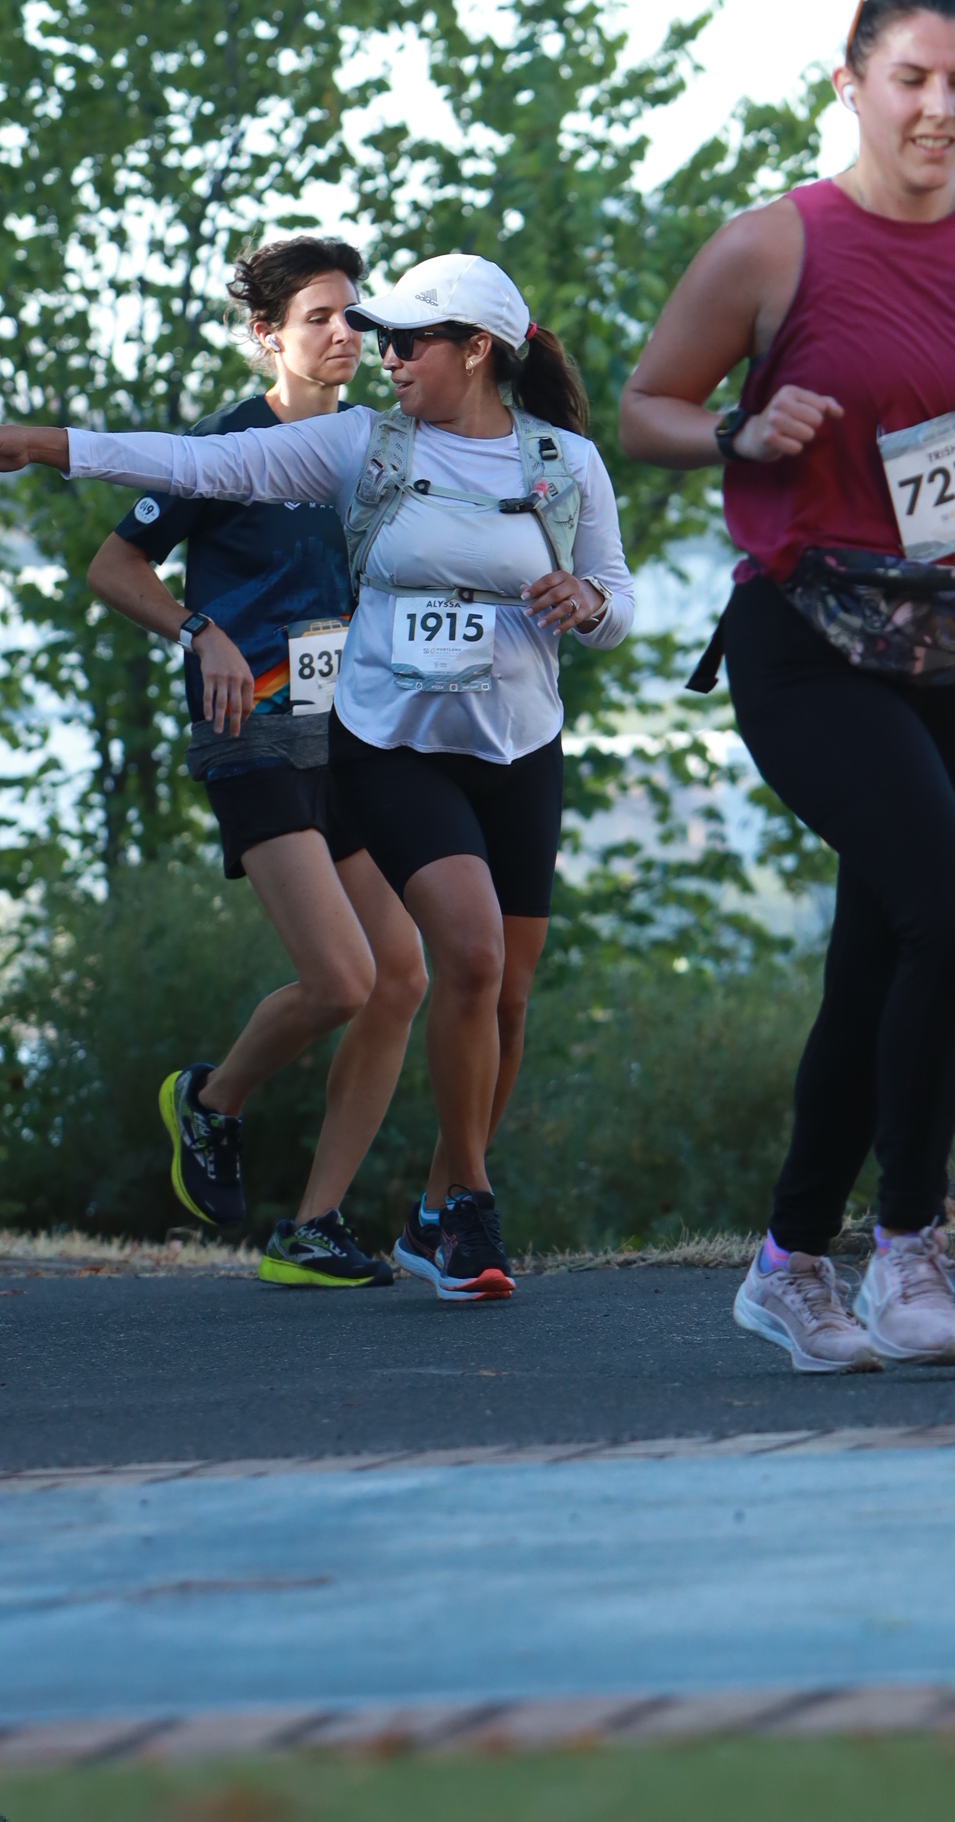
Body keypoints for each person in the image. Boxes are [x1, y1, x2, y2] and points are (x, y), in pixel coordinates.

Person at [620, 0, 955, 1374]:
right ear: (851, 86)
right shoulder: (774, 247)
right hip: (811, 644)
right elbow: (646, 407)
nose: (941, 109)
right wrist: (740, 432)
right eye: (912, 80)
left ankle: (787, 1265)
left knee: (879, 957)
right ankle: (906, 1245)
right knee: (953, 922)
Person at [1, 250, 634, 1304]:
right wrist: (45, 448)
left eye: (395, 334)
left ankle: (378, 1218)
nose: (374, 350)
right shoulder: (336, 444)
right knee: (405, 967)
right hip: (317, 733)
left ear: (478, 350)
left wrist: (590, 605)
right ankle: (361, 1162)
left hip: (442, 737)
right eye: (353, 328)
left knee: (456, 989)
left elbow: (613, 596)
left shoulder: (531, 459)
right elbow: (185, 482)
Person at [82, 240, 425, 1288]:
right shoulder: (224, 447)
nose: (345, 335)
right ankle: (211, 1098)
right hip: (253, 734)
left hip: (349, 737)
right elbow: (113, 565)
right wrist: (201, 632)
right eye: (320, 317)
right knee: (341, 979)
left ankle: (312, 1228)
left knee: (401, 977)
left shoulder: (376, 447)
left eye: (355, 316)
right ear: (268, 336)